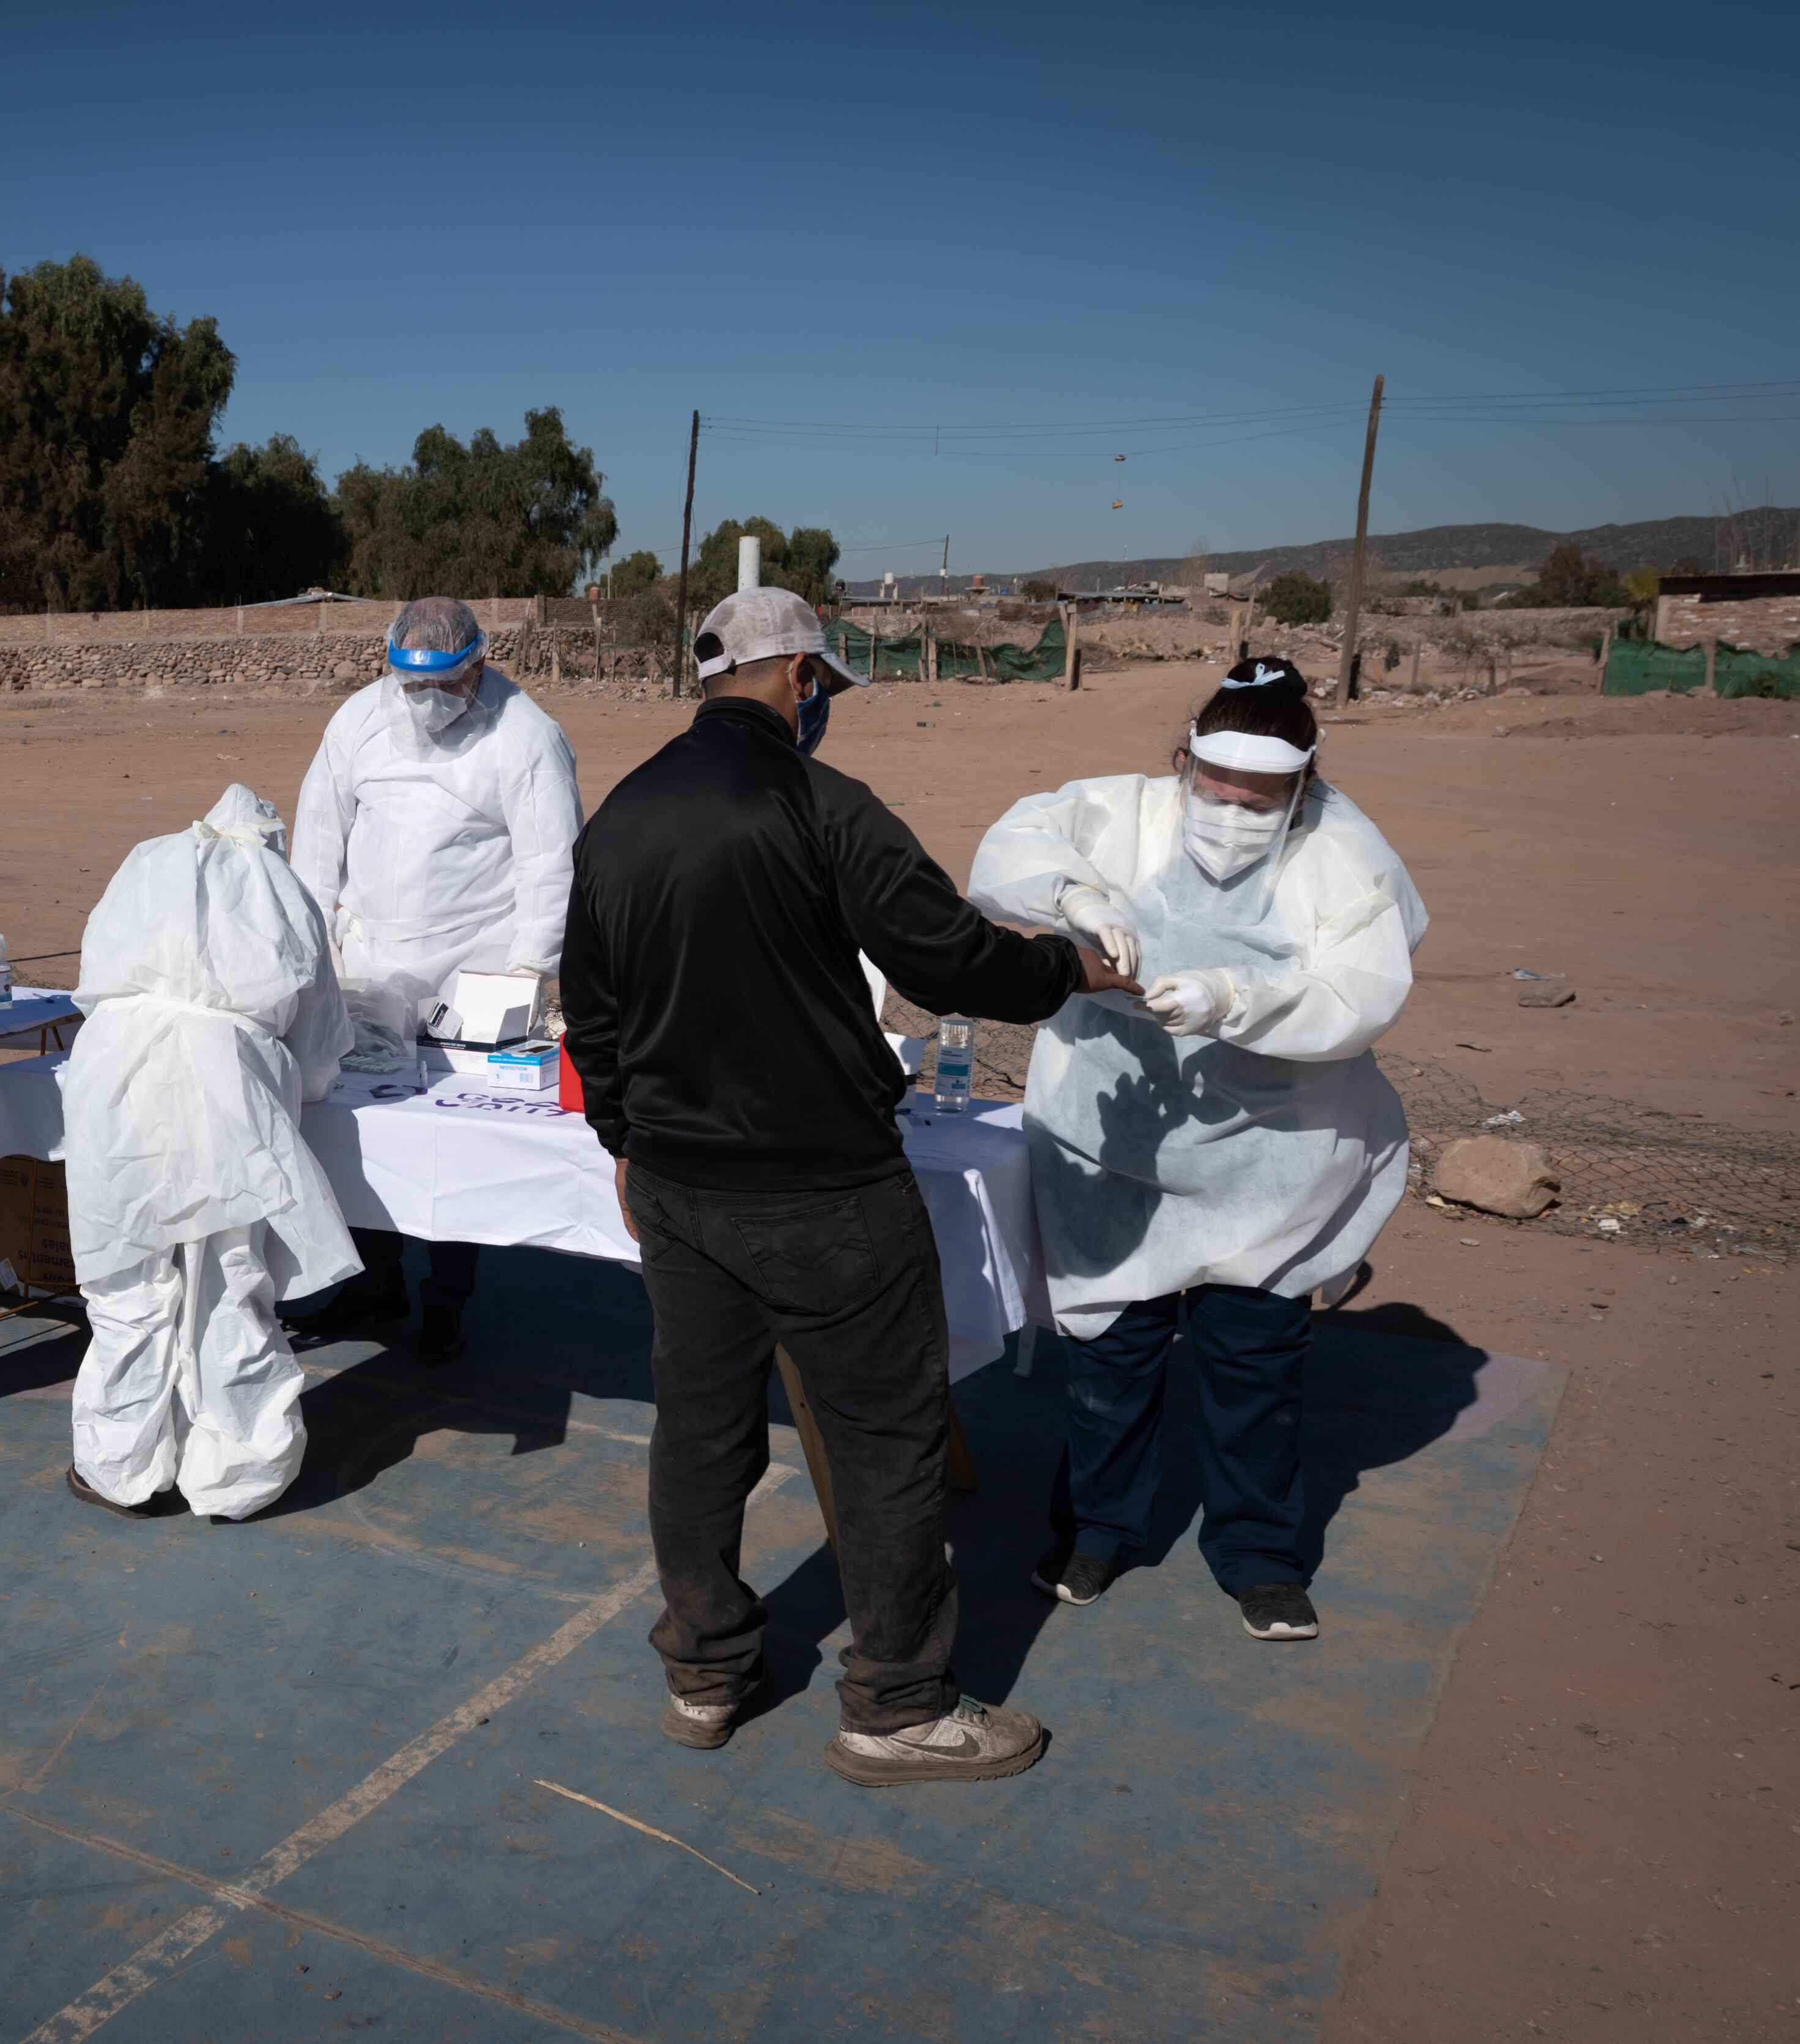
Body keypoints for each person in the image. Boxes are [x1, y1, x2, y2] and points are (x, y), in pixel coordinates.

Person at [561, 586, 1139, 1785]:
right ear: (800, 679)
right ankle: (897, 1704)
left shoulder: (617, 817)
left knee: (702, 1424)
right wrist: (1070, 968)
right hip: (821, 1186)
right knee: (882, 1438)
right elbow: (947, 956)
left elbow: (595, 1009)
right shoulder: (825, 807)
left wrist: (625, 1136)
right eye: (822, 684)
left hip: (675, 1180)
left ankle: (705, 1668)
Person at [965, 658, 1425, 1642]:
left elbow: (1362, 990)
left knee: (1252, 1359)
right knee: (1110, 1357)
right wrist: (1080, 900)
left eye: (1262, 800)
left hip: (1267, 1156)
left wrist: (1235, 1000)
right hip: (1114, 1145)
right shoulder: (1124, 813)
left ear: (1304, 786)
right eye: (1216, 790)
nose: (1233, 813)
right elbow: (1011, 848)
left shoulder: (1344, 854)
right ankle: (1099, 1527)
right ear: (1185, 763)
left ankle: (1260, 1553)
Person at [284, 595, 584, 1360]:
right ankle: (371, 1279)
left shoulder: (525, 736)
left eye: (444, 687)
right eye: (410, 687)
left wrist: (525, 974)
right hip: (368, 964)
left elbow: (551, 866)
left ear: (477, 667)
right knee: (354, 1129)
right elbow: (319, 841)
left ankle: (447, 1294)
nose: (424, 704)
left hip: (473, 969)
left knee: (454, 1142)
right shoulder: (357, 722)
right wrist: (310, 947)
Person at [63, 786, 358, 1522]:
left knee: (124, 1277)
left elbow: (95, 979)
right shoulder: (280, 887)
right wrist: (308, 1082)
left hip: (114, 1075)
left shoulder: (147, 862)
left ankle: (119, 1468)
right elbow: (318, 1035)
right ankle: (237, 1476)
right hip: (226, 1086)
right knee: (227, 1280)